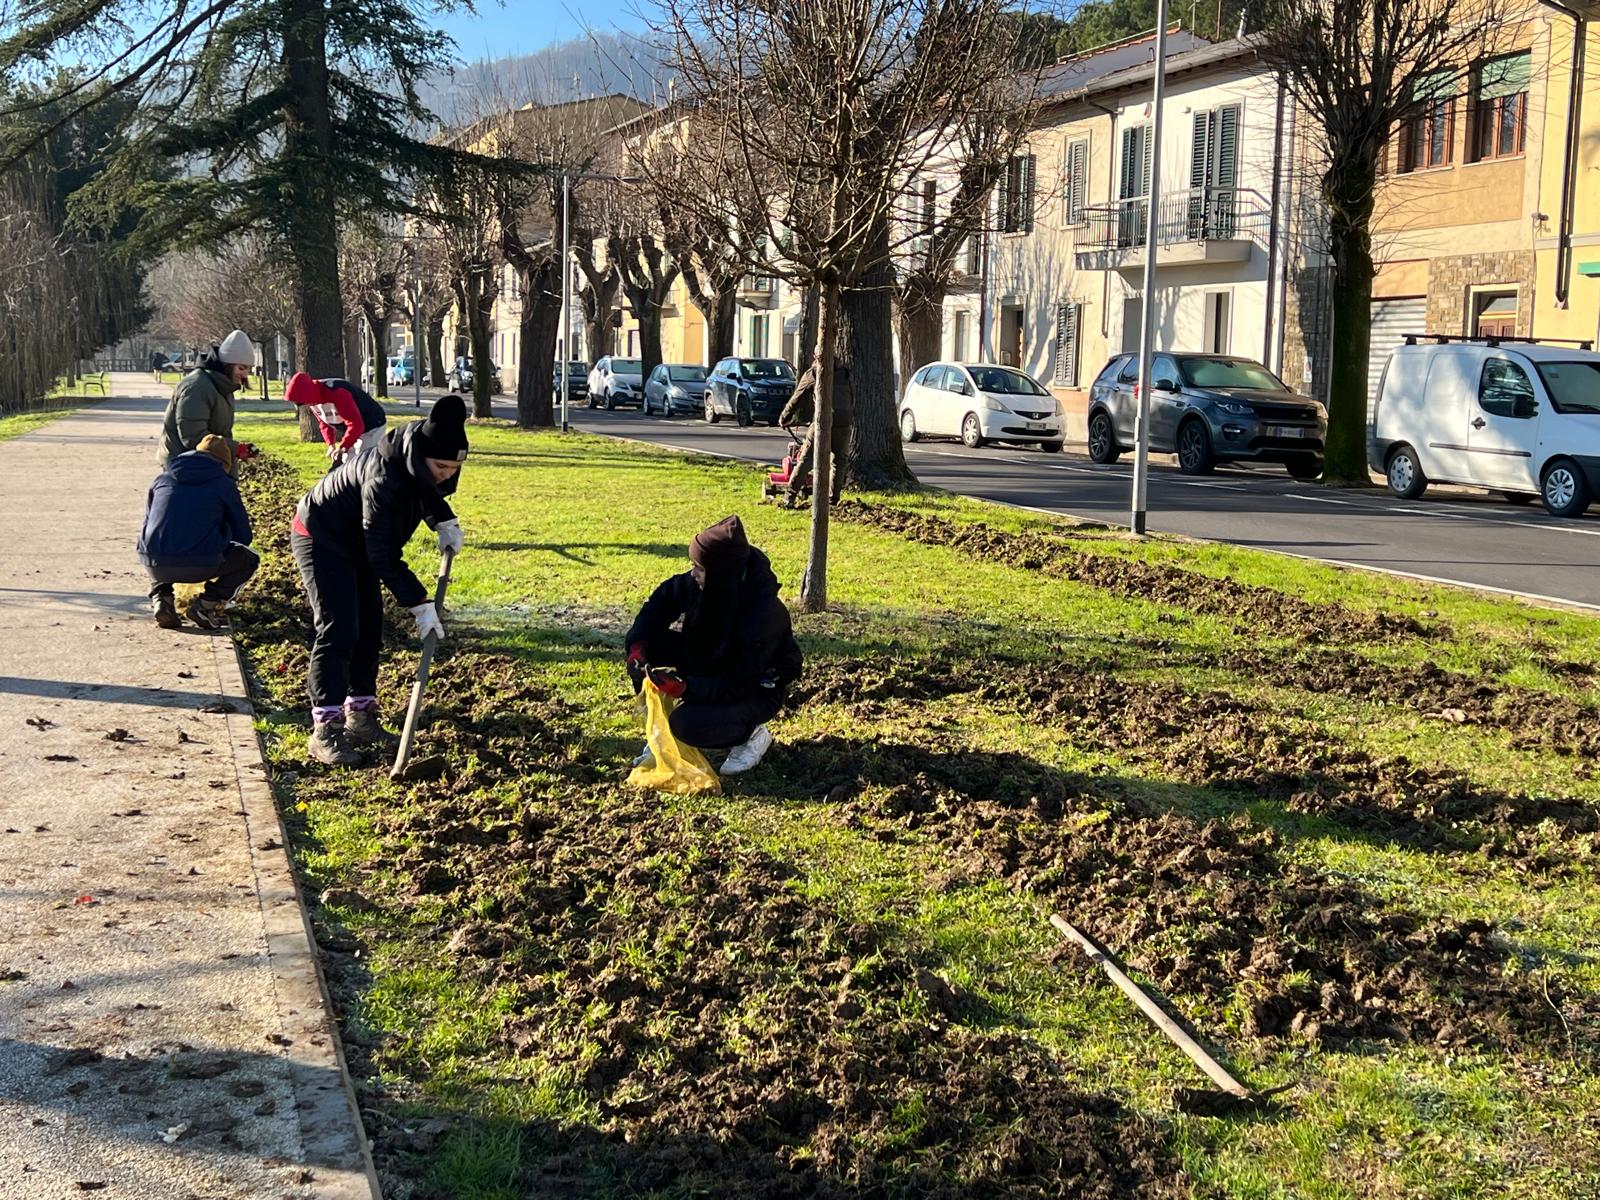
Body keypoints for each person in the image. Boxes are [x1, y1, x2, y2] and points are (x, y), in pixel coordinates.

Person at [290, 394, 469, 767]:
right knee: (339, 628)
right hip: (321, 536)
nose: (447, 474)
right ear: (423, 455)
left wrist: (442, 519)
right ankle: (325, 730)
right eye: (442, 466)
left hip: (357, 540)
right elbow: (381, 553)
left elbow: (424, 488)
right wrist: (420, 603)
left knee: (370, 626)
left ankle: (360, 717)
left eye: (454, 468)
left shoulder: (418, 458)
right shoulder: (383, 476)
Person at [624, 515, 802, 776]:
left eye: (700, 568)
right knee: (646, 647)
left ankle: (751, 734)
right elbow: (659, 605)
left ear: (722, 573)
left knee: (687, 724)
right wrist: (638, 645)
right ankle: (663, 732)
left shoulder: (763, 615)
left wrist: (687, 688)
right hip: (710, 658)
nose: (693, 573)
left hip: (754, 690)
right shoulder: (703, 581)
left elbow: (739, 682)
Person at [137, 434, 259, 630]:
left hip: (154, 563)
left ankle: (162, 599)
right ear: (224, 463)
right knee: (250, 559)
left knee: (160, 542)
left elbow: (149, 522)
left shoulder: (162, 479)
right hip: (202, 562)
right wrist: (221, 536)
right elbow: (243, 536)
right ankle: (206, 605)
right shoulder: (223, 484)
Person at [159, 329, 257, 464]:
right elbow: (193, 437)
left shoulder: (224, 386)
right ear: (227, 365)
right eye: (241, 368)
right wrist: (237, 449)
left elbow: (221, 433)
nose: (245, 374)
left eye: (248, 369)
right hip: (184, 465)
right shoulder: (197, 388)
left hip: (207, 461)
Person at [779, 358, 854, 505]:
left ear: (816, 357)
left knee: (806, 460)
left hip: (823, 420)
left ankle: (789, 497)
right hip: (844, 421)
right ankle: (833, 499)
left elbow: (797, 397)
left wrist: (784, 417)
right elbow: (852, 397)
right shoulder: (845, 373)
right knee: (839, 461)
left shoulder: (815, 372)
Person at [285, 371, 388, 466]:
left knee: (364, 463)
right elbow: (324, 422)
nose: (302, 405)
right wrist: (331, 444)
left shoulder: (337, 392)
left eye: (300, 402)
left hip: (372, 424)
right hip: (352, 429)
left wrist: (343, 447)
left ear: (307, 394)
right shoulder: (313, 401)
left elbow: (356, 425)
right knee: (347, 463)